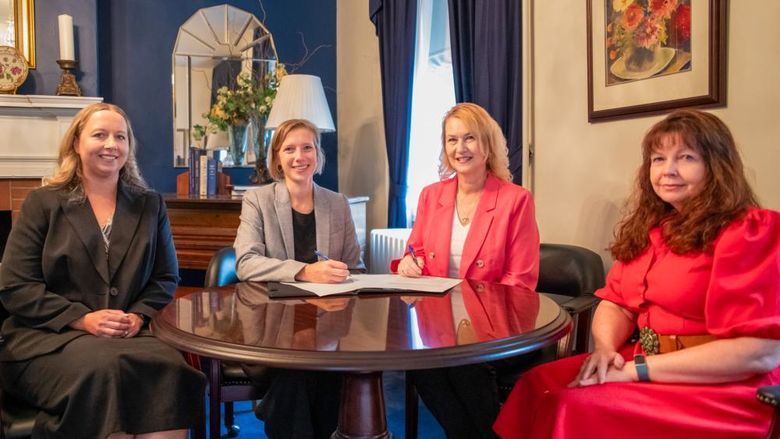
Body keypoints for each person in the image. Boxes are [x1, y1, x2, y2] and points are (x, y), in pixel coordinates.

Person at [493, 109, 780, 439]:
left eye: (685, 157)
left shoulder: (749, 231)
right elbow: (616, 303)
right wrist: (604, 349)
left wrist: (634, 371)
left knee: (573, 404)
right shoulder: (653, 230)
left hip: (721, 385)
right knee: (535, 383)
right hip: (645, 361)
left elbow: (759, 352)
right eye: (658, 159)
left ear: (716, 167)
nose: (667, 171)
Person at [0, 103, 206, 438]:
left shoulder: (149, 205)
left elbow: (165, 278)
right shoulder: (43, 203)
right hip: (50, 337)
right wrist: (82, 319)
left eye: (120, 137)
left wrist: (138, 316)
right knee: (105, 373)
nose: (111, 144)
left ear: (128, 147)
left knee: (171, 369)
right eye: (100, 135)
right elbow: (15, 286)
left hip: (128, 333)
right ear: (76, 143)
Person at [395, 102, 540, 439]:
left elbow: (519, 281)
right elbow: (414, 250)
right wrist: (408, 262)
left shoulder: (515, 200)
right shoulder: (431, 196)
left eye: (470, 138)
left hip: (497, 328)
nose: (460, 149)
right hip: (439, 326)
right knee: (419, 366)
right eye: (452, 140)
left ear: (487, 144)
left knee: (463, 367)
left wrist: (477, 326)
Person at [234, 118, 365, 439]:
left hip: (327, 326)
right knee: (299, 375)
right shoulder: (258, 200)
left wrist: (343, 274)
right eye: (289, 149)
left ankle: (273, 406)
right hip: (270, 329)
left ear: (318, 155)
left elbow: (356, 269)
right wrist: (305, 271)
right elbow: (245, 263)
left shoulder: (337, 203)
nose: (299, 156)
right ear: (277, 157)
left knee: (328, 373)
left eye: (307, 147)